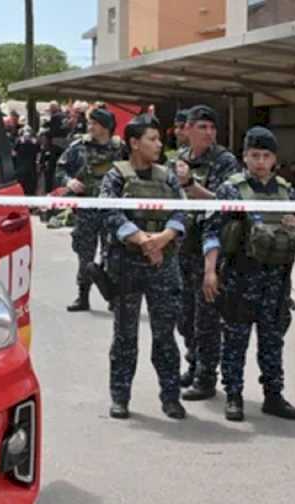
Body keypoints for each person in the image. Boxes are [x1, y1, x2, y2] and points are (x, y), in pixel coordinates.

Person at [202, 126, 295, 421]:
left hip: (276, 279)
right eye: (254, 155)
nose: (260, 161)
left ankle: (274, 395)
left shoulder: (285, 190)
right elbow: (212, 230)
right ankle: (233, 395)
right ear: (244, 157)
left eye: (266, 155)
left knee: (273, 339)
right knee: (235, 339)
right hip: (240, 277)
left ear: (274, 159)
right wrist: (210, 271)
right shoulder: (231, 188)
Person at [100, 114, 187, 421]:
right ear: (134, 143)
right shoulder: (116, 175)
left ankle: (171, 397)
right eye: (152, 139)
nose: (159, 144)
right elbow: (108, 211)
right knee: (125, 335)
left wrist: (162, 239)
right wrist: (140, 239)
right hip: (127, 265)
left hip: (163, 265)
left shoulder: (168, 176)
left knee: (165, 335)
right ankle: (120, 397)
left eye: (159, 139)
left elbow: (183, 210)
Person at [174, 105, 240, 400]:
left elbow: (224, 201)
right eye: (202, 127)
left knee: (207, 317)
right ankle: (194, 362)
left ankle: (206, 376)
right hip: (182, 246)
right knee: (184, 315)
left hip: (210, 247)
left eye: (212, 128)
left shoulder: (225, 161)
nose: (208, 132)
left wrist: (191, 185)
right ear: (187, 129)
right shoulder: (180, 160)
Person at [57, 108, 123, 311]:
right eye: (90, 122)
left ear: (105, 127)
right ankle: (82, 296)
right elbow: (60, 169)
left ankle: (113, 295)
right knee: (84, 254)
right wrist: (70, 182)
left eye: (94, 123)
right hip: (86, 210)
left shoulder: (121, 149)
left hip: (112, 210)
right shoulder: (78, 147)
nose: (90, 126)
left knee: (112, 254)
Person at [14, 125, 40, 196]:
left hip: (23, 168)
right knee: (30, 187)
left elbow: (14, 152)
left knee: (23, 186)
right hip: (30, 168)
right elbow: (38, 153)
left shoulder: (19, 141)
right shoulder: (35, 141)